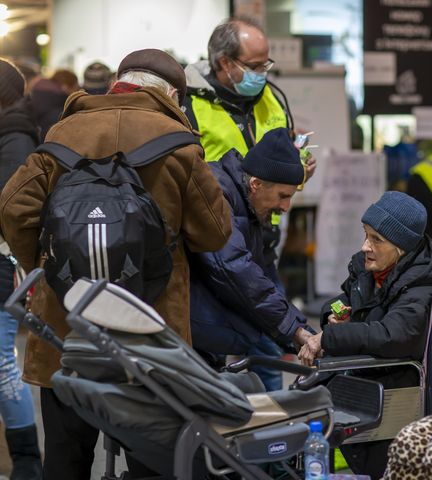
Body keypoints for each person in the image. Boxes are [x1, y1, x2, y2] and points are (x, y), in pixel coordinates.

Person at [0, 48, 232, 480]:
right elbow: (215, 231)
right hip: (151, 333)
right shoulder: (179, 145)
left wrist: (46, 265)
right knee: (154, 463)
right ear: (172, 95)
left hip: (66, 329)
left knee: (66, 461)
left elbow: (14, 207)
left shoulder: (62, 133)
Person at [185, 15, 316, 390]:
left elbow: (282, 167)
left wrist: (299, 172)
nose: (264, 73)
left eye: (267, 64)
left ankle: (269, 433)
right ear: (225, 62)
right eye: (256, 66)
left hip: (260, 238)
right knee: (218, 349)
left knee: (264, 350)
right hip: (212, 244)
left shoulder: (273, 99)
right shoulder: (188, 102)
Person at [298, 191, 432, 479]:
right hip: (361, 374)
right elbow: (344, 298)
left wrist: (328, 338)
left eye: (376, 240)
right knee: (298, 400)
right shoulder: (373, 271)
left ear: (402, 247)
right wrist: (332, 316)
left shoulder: (420, 287)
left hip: (388, 385)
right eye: (365, 235)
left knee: (303, 413)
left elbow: (391, 335)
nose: (365, 246)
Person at [189, 127, 312, 373]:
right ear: (256, 184)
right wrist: (295, 330)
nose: (286, 207)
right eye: (283, 196)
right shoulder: (217, 193)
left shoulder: (247, 204)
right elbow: (234, 267)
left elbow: (258, 274)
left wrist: (297, 330)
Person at [0, 59, 42, 480]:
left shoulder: (15, 137)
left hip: (0, 263)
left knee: (0, 363)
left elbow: (7, 205)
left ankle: (27, 457)